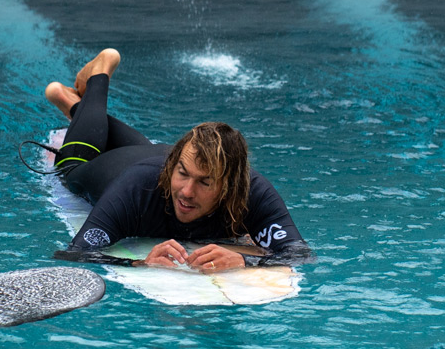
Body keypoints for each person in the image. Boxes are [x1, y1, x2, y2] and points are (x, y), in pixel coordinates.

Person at [45, 48, 309, 271]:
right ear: (175, 163)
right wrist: (139, 264)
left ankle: (75, 104)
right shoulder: (136, 190)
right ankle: (94, 79)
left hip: (149, 151)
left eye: (205, 182)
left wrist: (243, 260)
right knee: (70, 167)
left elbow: (298, 254)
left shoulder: (253, 192)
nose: (186, 192)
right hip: (120, 168)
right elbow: (74, 254)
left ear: (231, 186)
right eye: (183, 173)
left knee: (133, 143)